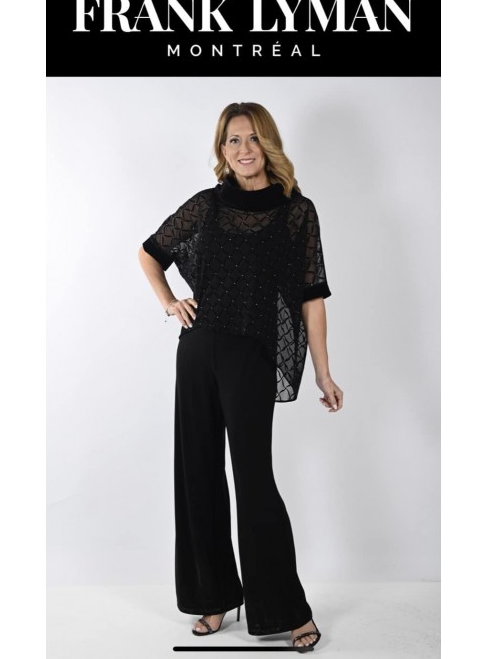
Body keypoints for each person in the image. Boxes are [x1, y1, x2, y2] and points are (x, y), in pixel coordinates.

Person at [138, 102, 343, 650]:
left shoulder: (297, 212)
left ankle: (287, 610)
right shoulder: (206, 206)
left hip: (250, 356)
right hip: (197, 351)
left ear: (268, 144)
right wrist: (170, 301)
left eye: (252, 138)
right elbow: (149, 253)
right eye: (233, 140)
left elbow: (312, 297)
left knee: (254, 480)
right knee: (198, 474)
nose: (243, 149)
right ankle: (214, 597)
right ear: (222, 150)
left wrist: (323, 373)